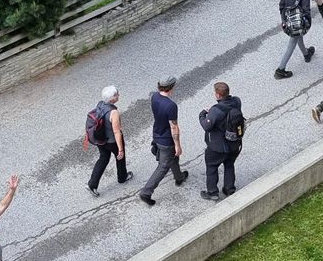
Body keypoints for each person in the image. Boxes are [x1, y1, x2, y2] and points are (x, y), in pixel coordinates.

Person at [139, 77, 188, 206]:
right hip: (166, 140)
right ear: (172, 87)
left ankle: (179, 177)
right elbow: (174, 127)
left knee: (173, 158)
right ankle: (146, 192)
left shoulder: (154, 96)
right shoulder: (171, 105)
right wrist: (178, 145)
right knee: (163, 166)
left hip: (157, 133)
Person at [198, 82, 242, 200]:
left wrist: (202, 115)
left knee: (212, 168)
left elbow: (207, 126)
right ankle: (229, 189)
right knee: (229, 165)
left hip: (217, 147)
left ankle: (213, 193)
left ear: (217, 95)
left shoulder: (216, 110)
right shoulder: (237, 102)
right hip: (234, 144)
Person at [87, 86, 133, 197]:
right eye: (117, 94)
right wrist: (121, 149)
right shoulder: (114, 112)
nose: (118, 95)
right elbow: (117, 132)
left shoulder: (100, 104)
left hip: (101, 139)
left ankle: (92, 184)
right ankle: (122, 177)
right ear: (112, 99)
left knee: (103, 159)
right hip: (112, 141)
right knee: (120, 157)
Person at [275, 0, 315, 80]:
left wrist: (283, 20)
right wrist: (307, 24)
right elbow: (306, 12)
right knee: (292, 44)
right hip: (297, 23)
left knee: (298, 38)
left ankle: (306, 54)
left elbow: (281, 5)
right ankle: (280, 70)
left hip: (287, 21)